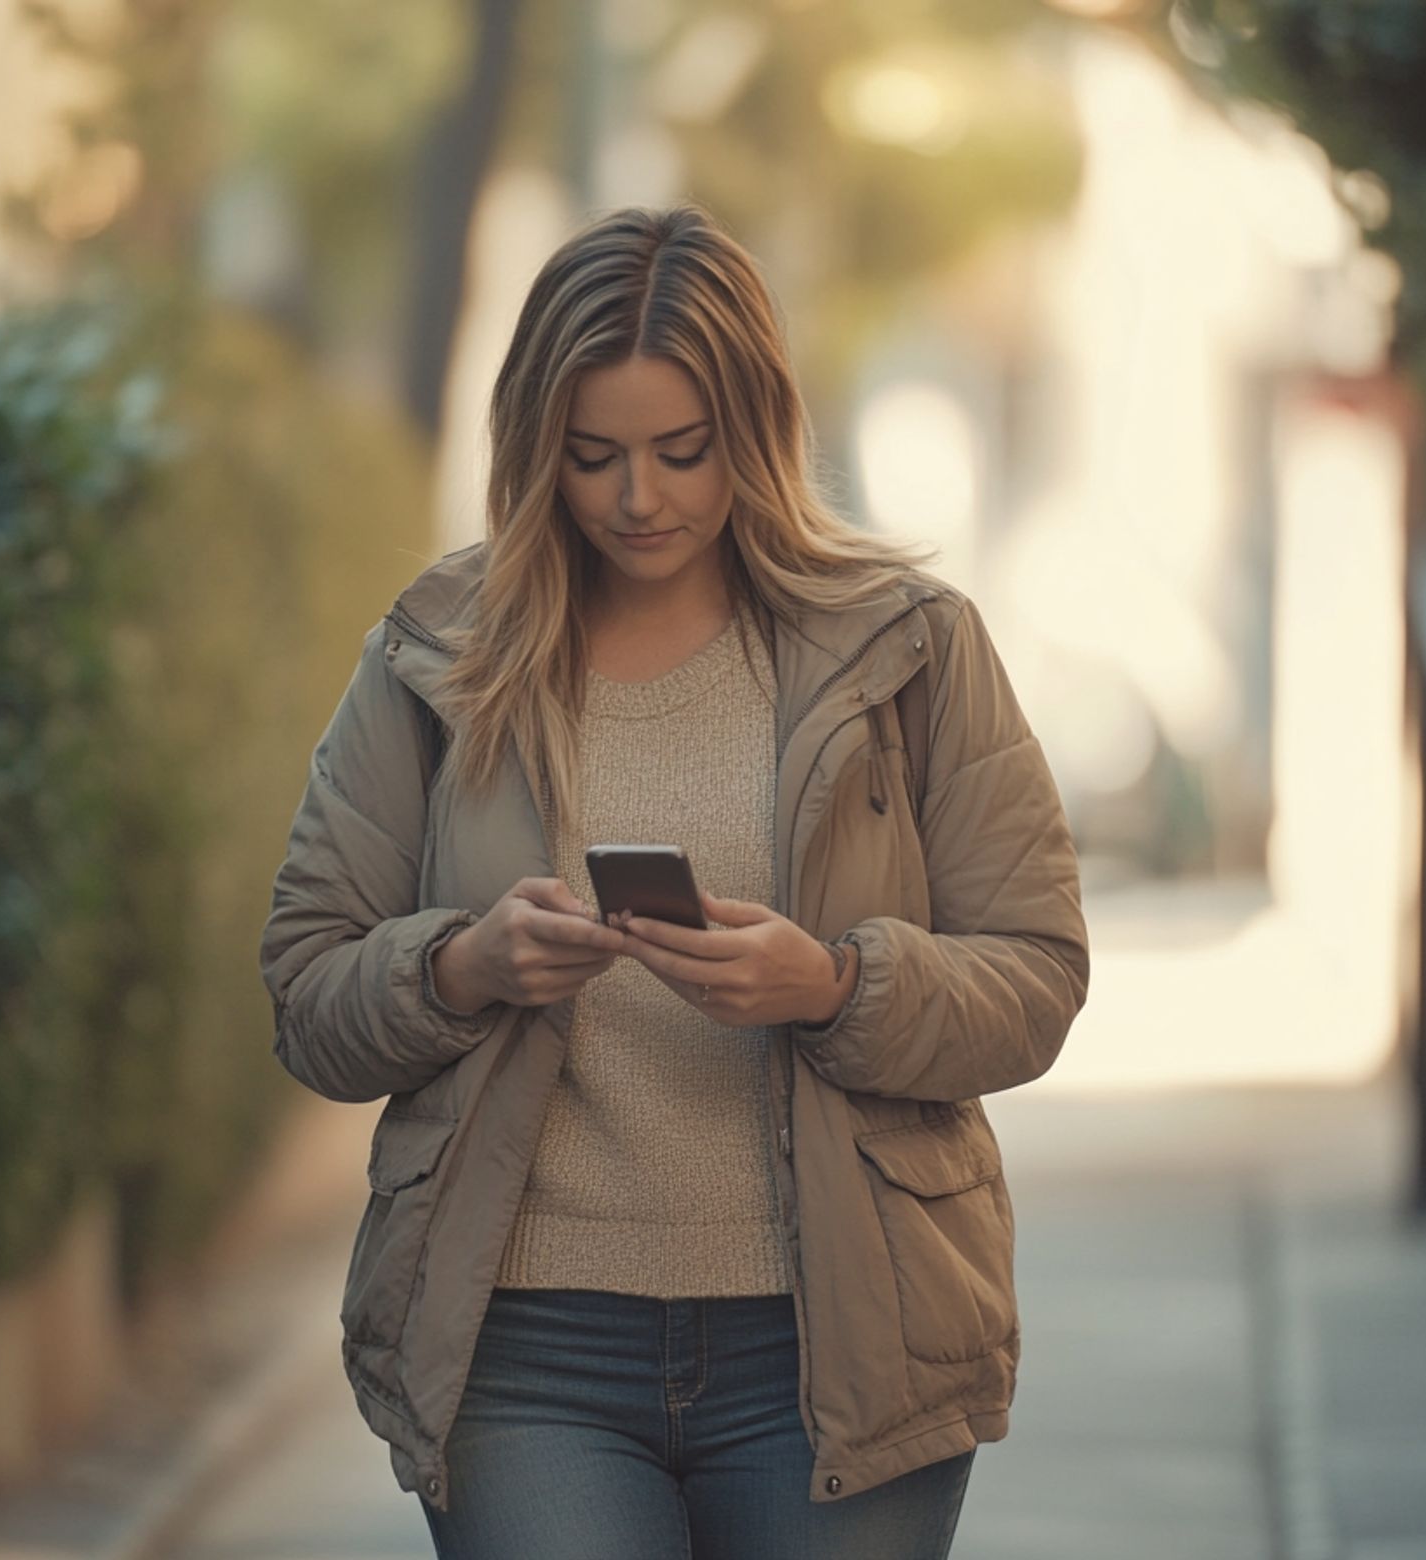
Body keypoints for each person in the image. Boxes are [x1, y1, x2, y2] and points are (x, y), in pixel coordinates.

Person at [260, 202, 1091, 1560]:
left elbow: (1038, 979)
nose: (638, 498)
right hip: (525, 1353)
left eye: (680, 451)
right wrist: (464, 965)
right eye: (593, 457)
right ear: (538, 449)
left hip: (840, 1340)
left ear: (756, 426)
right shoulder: (435, 658)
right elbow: (306, 992)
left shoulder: (909, 647)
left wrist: (832, 985)